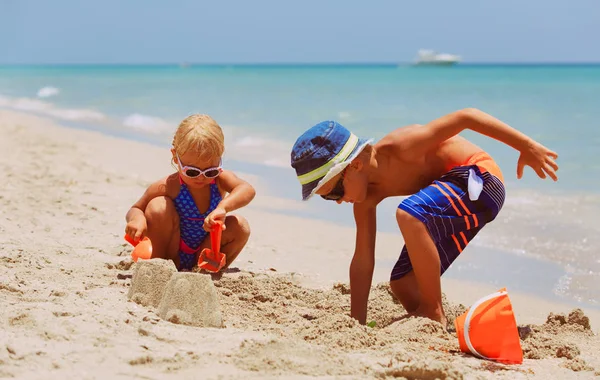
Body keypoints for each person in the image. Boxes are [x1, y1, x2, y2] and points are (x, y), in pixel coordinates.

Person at [290, 108, 559, 328]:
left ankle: (433, 311)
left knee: (409, 214)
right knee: (402, 284)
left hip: (481, 181)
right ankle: (452, 325)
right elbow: (363, 259)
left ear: (355, 165)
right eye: (328, 198)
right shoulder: (365, 201)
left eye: (335, 191)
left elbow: (467, 116)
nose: (337, 201)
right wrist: (356, 322)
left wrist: (526, 146)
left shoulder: (402, 147)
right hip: (452, 203)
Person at [125, 114, 255, 272]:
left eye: (210, 171)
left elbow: (247, 189)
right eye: (192, 172)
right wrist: (137, 221)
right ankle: (158, 267)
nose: (201, 177)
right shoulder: (169, 185)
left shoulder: (219, 180)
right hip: (170, 250)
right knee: (157, 206)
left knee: (241, 226)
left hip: (206, 251)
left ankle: (208, 271)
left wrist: (223, 207)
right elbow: (136, 208)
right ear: (175, 157)